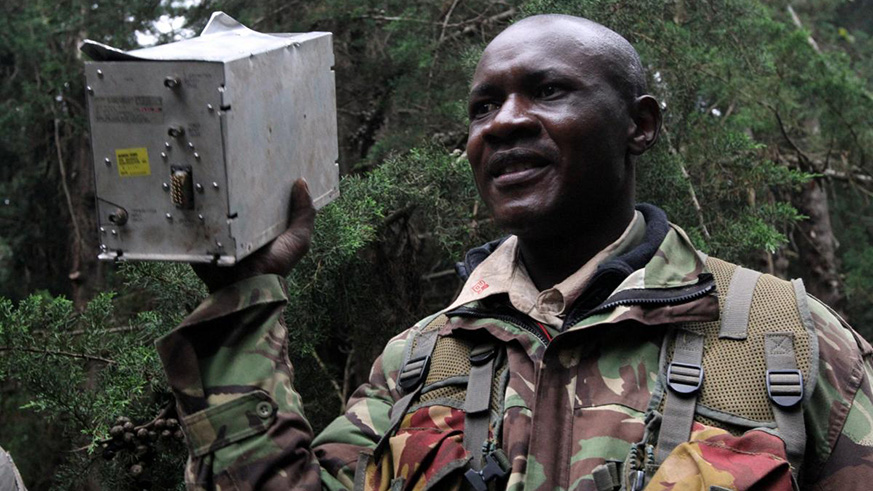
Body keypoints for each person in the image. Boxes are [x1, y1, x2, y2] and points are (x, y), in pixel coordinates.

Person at [156, 14, 873, 490]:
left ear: (640, 125)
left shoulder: (784, 339)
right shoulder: (420, 362)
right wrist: (242, 297)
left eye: (548, 90)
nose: (502, 124)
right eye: (482, 107)